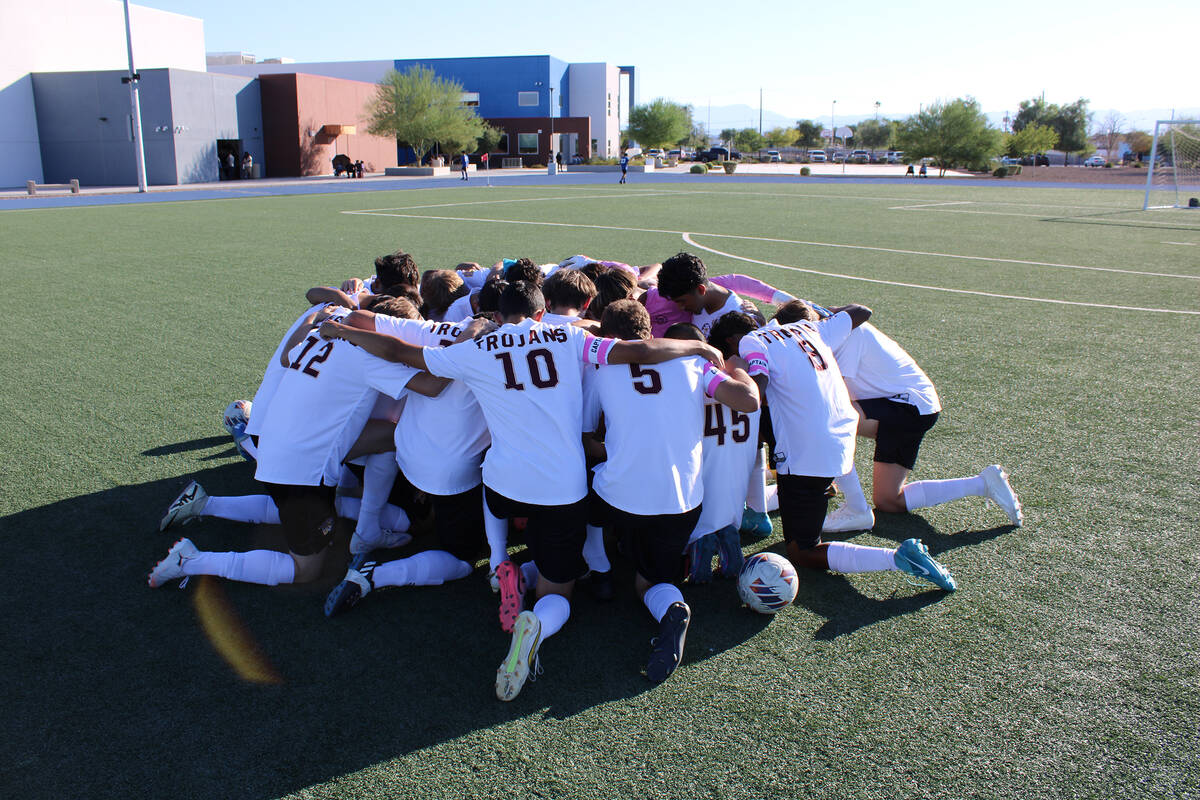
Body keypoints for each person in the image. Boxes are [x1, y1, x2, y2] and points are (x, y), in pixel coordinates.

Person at [317, 280, 728, 701]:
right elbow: (638, 351)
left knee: (491, 482)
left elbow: (401, 353)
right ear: (540, 313)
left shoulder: (477, 347)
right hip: (560, 490)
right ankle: (539, 621)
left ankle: (500, 561)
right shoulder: (569, 337)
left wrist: (345, 332)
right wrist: (696, 350)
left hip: (501, 485)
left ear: (497, 317)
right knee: (560, 589)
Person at [149, 300, 448, 592]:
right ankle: (192, 561)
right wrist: (465, 352)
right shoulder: (370, 358)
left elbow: (287, 356)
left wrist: (312, 319)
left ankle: (206, 504)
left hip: (275, 451)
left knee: (381, 442)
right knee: (305, 570)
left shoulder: (320, 336)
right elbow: (432, 386)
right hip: (303, 471)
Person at [718, 308, 958, 593]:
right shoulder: (810, 328)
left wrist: (736, 369)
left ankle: (897, 558)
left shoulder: (752, 342)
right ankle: (845, 504)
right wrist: (824, 315)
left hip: (806, 452)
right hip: (841, 438)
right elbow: (861, 311)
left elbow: (755, 393)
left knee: (802, 551)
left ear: (733, 341)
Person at [583, 301, 759, 682]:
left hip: (621, 499)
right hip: (681, 502)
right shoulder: (696, 366)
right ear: (649, 333)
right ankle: (671, 608)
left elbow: (585, 438)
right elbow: (748, 401)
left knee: (584, 489)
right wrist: (740, 368)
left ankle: (597, 566)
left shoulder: (600, 369)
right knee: (651, 581)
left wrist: (615, 448)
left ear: (609, 337)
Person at [760, 301, 1022, 533]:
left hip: (908, 407)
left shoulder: (848, 335)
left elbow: (828, 397)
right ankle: (982, 483)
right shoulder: (826, 328)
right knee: (889, 501)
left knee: (826, 418)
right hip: (903, 406)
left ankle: (855, 510)